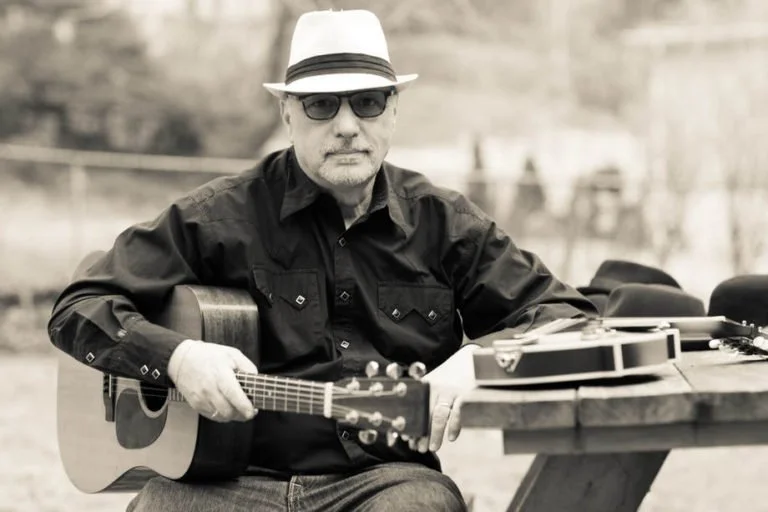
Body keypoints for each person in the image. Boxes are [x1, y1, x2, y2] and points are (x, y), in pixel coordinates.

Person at [48, 9, 597, 512]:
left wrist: (475, 363)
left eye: (367, 102)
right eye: (320, 104)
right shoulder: (217, 218)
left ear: (393, 110)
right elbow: (79, 306)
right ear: (287, 112)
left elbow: (569, 318)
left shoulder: (445, 223)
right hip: (222, 485)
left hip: (385, 482)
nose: (346, 125)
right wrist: (177, 357)